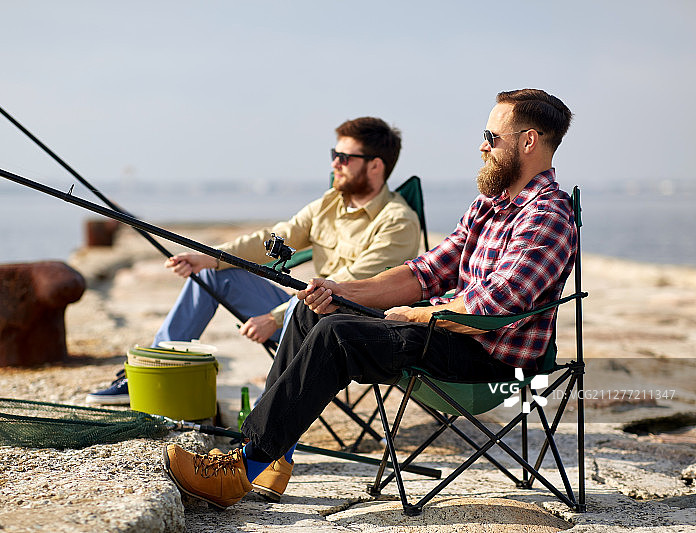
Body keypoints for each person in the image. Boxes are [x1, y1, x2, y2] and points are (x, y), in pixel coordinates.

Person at [162, 88, 577, 510]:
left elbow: (492, 307)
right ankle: (269, 457)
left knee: (337, 335)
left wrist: (415, 317)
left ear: (528, 141)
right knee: (312, 313)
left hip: (489, 359)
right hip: (447, 334)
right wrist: (341, 292)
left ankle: (239, 468)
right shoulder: (490, 205)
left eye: (492, 137)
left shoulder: (548, 215)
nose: (482, 146)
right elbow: (426, 271)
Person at [86, 116, 421, 406]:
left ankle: (261, 429)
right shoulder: (328, 204)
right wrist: (210, 258)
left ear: (375, 165)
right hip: (306, 310)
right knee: (215, 276)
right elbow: (275, 240)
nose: (334, 164)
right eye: (334, 155)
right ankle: (154, 369)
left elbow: (349, 286)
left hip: (352, 326)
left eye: (345, 157)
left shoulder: (398, 221)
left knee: (314, 301)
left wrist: (275, 319)